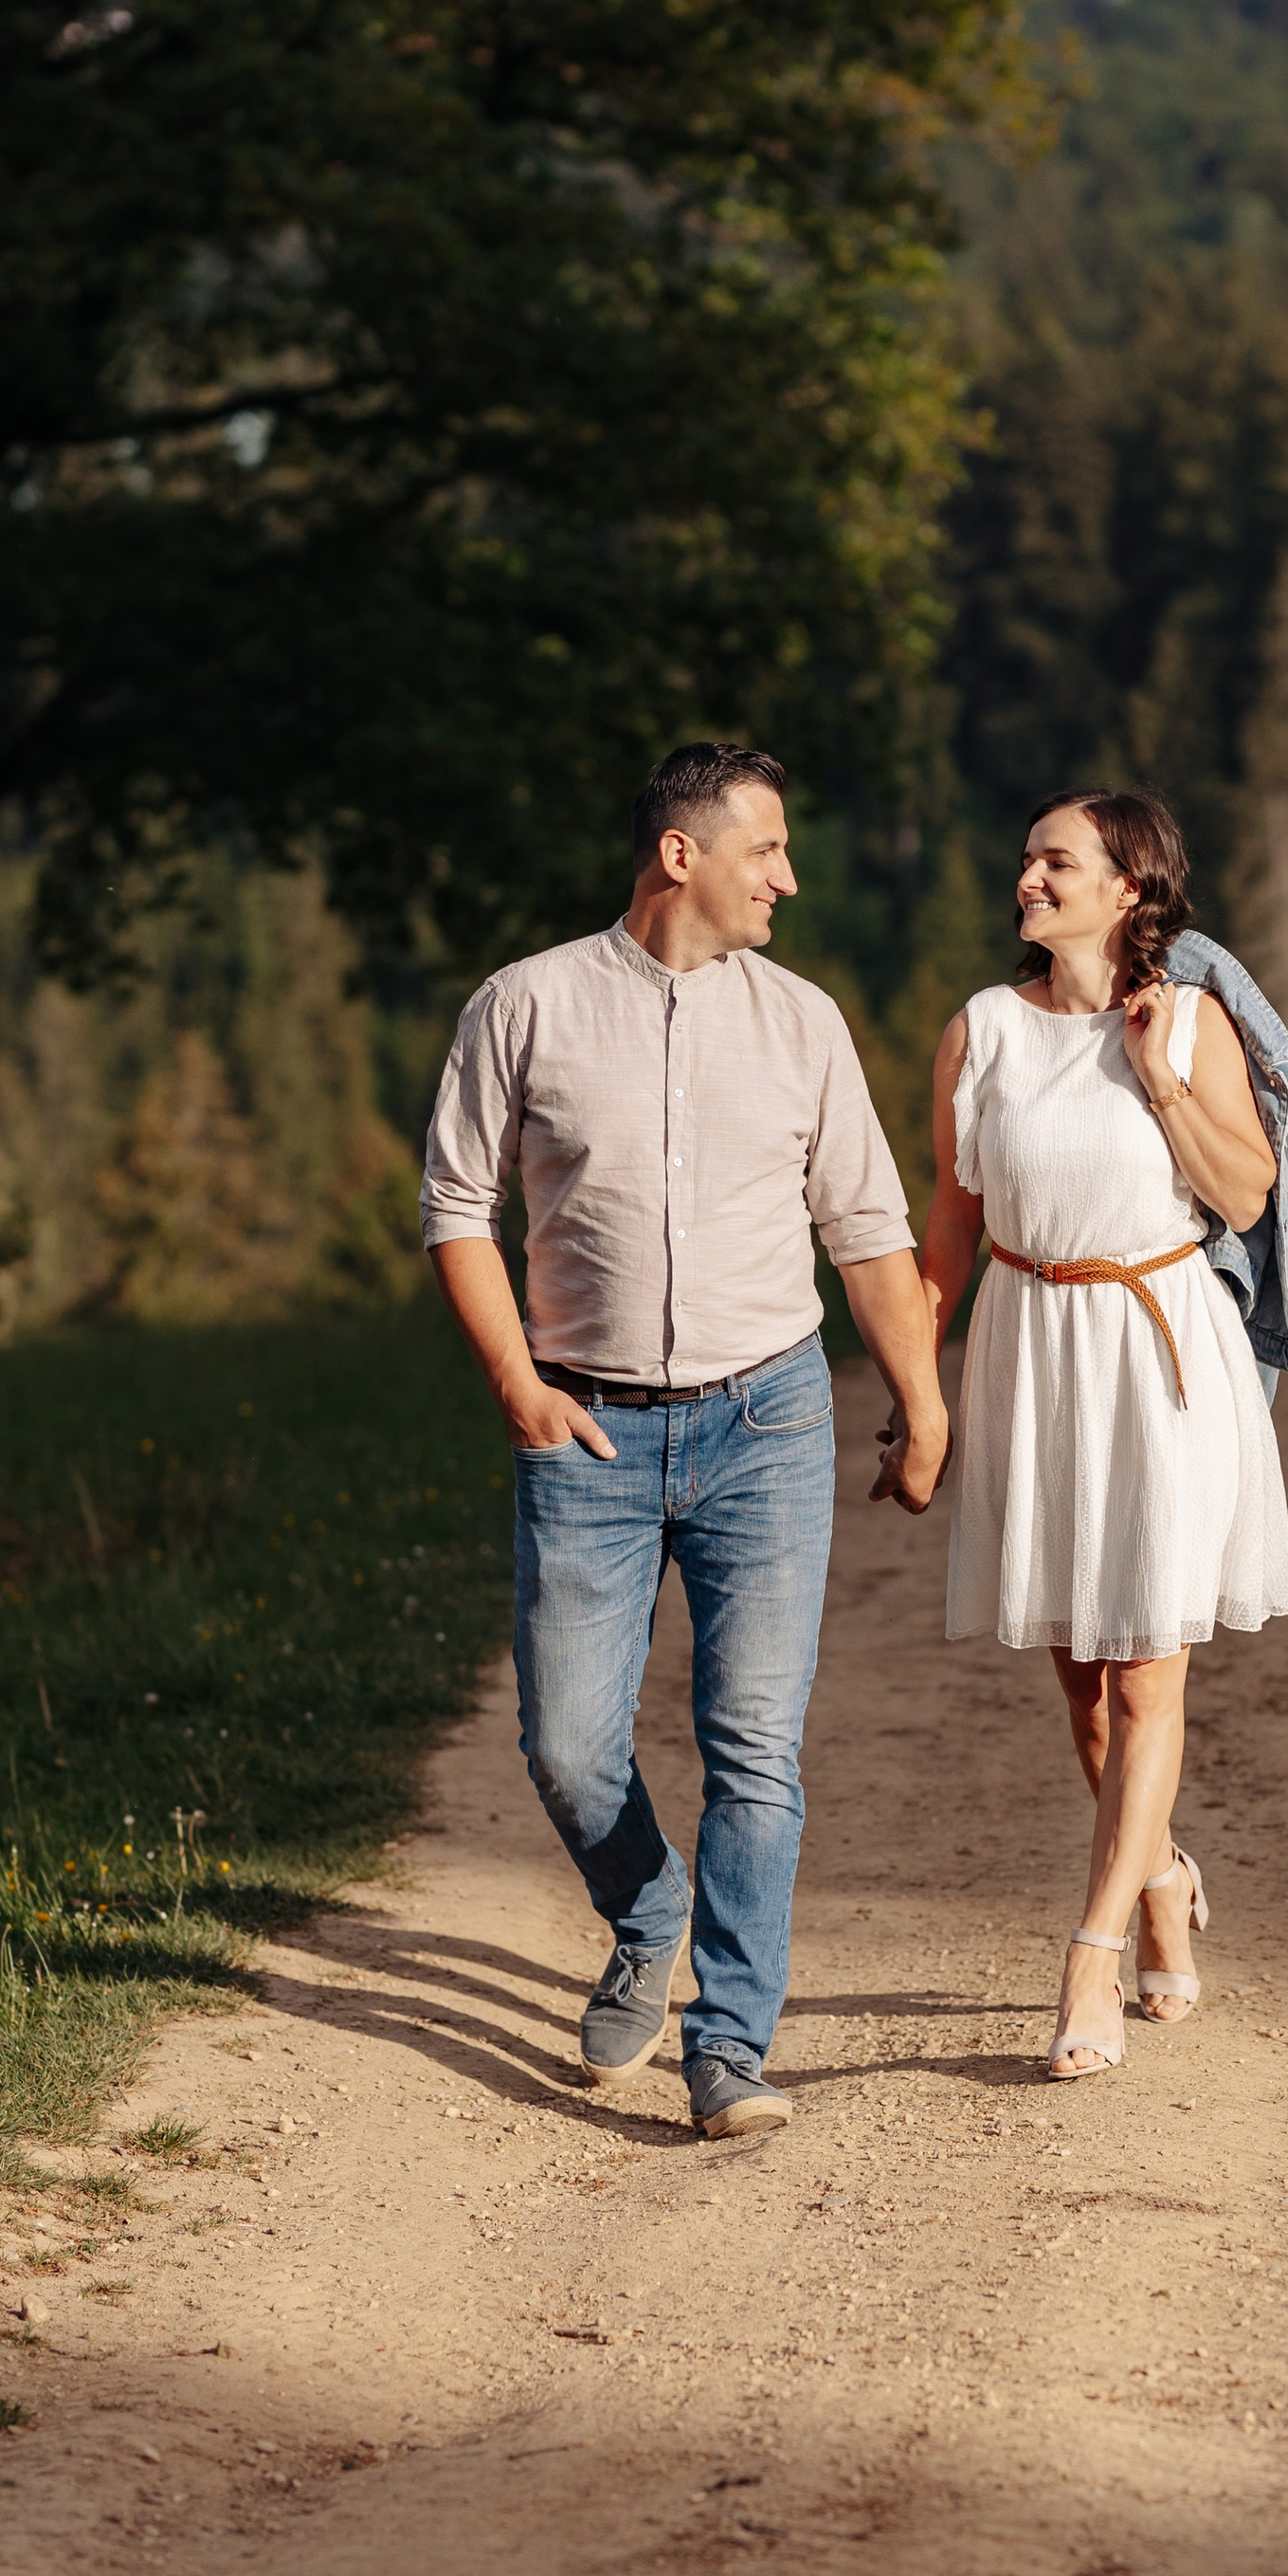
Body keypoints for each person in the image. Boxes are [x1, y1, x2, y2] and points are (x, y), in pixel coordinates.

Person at [422, 742, 950, 2140]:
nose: (788, 874)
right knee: (569, 1745)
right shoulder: (524, 1006)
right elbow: (458, 1208)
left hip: (768, 1417)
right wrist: (517, 1390)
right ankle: (647, 1905)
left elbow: (871, 1233)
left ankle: (730, 2047)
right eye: (766, 848)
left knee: (755, 1746)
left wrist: (925, 1393)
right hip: (584, 1428)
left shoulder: (803, 1023)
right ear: (680, 855)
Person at [905, 788, 1288, 2080]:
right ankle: (1163, 1876)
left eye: (1056, 860)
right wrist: (921, 1389)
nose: (1028, 877)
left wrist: (1158, 1079)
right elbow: (949, 1232)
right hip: (1032, 1349)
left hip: (1160, 1348)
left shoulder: (1188, 1020)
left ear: (1132, 887)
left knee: (1148, 1675)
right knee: (1081, 1682)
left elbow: (1244, 1190)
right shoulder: (980, 1035)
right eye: (1024, 858)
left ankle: (1088, 1957)